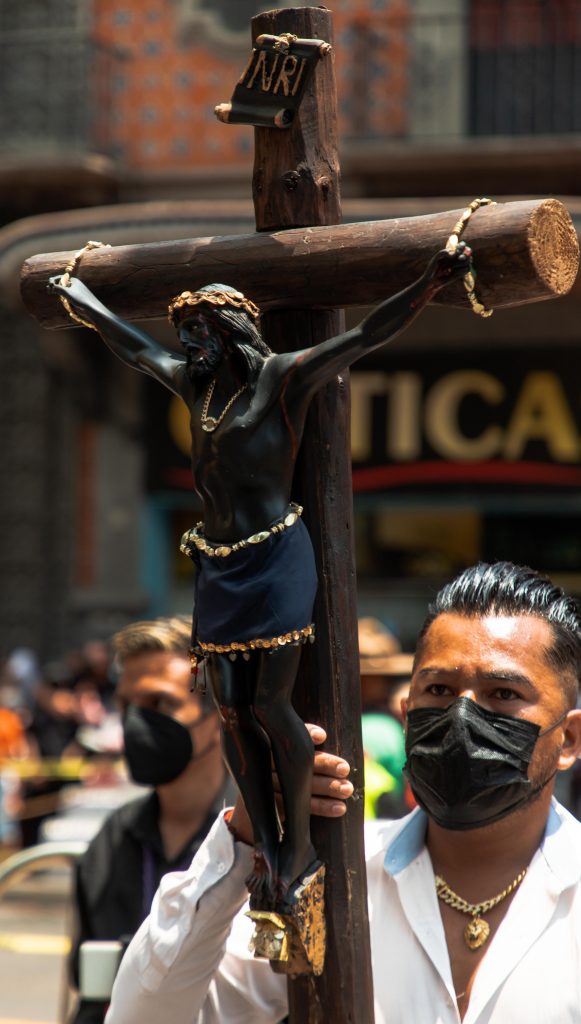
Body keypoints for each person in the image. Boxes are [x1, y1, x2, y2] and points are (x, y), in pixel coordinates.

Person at [49, 243, 472, 908]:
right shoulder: (196, 385)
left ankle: (293, 844)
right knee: (228, 707)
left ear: (231, 330)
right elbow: (133, 349)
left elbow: (365, 334)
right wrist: (83, 300)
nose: (189, 345)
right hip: (217, 563)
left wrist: (430, 280)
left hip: (274, 555)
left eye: (200, 332)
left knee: (270, 705)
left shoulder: (281, 378)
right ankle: (264, 841)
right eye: (185, 333)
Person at [106, 562, 581, 1023]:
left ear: (570, 740)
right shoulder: (332, 879)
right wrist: (245, 836)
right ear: (406, 709)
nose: (461, 717)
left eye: (503, 694)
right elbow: (148, 1014)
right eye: (439, 688)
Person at [69, 616, 233, 1024]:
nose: (135, 724)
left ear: (219, 713)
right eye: (126, 706)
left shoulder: (253, 837)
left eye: (160, 704)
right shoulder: (111, 840)